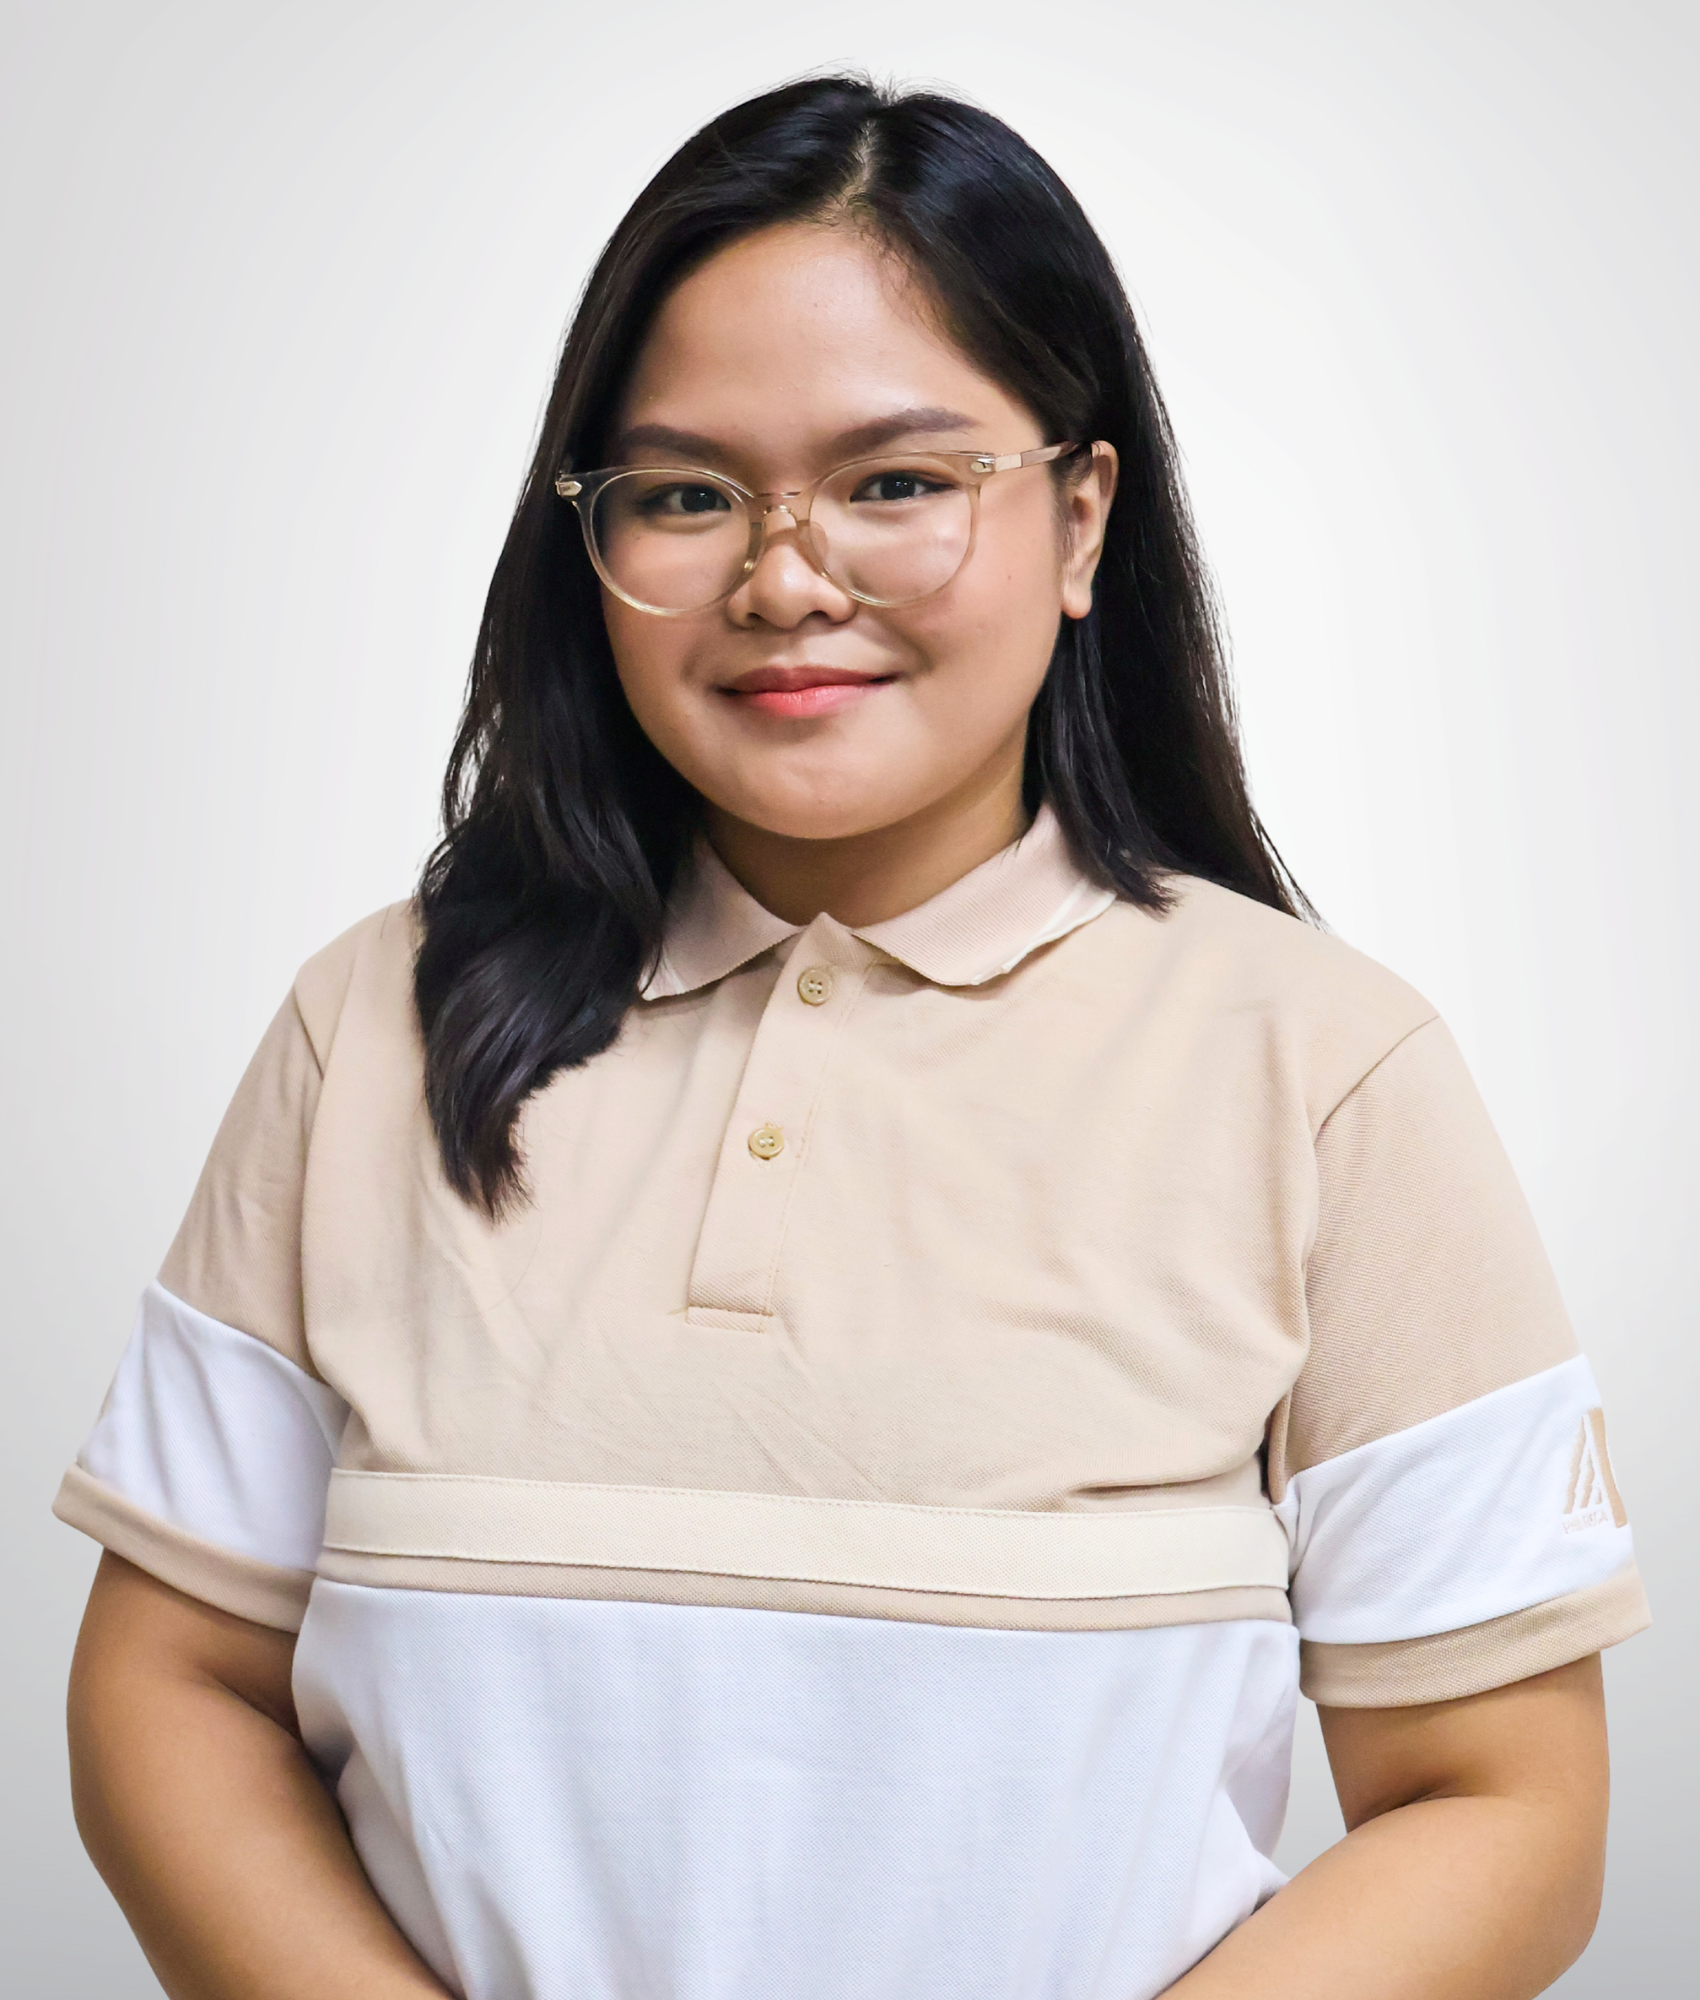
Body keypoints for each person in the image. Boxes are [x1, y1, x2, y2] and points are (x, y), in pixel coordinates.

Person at [57, 73, 1648, 2000]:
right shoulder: (371, 1033)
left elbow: (1502, 1803)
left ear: (1081, 518)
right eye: (683, 492)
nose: (784, 579)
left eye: (895, 483)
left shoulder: (1325, 1073)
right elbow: (173, 1685)